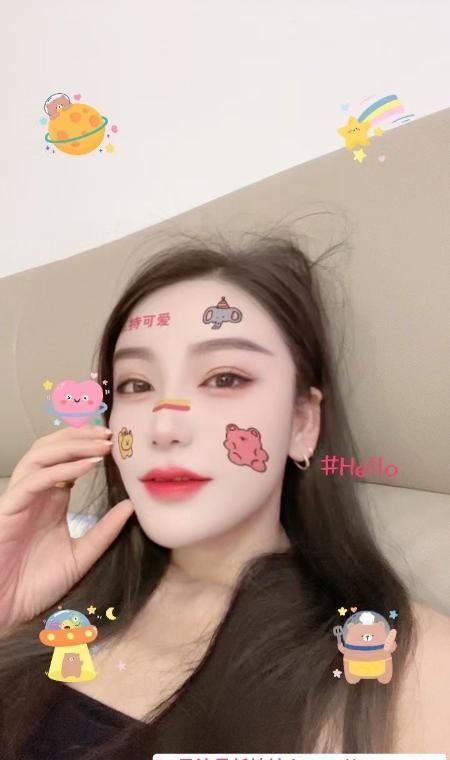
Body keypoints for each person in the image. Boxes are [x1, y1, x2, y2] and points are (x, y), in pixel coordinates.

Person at [0, 232, 449, 759]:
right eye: (136, 385)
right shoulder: (54, 600)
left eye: (225, 378)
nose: (163, 427)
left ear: (302, 423)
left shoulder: (404, 663)